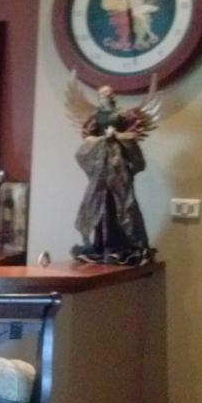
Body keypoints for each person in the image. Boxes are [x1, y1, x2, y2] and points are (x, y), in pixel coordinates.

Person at [69, 79, 159, 265]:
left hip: (118, 166)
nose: (105, 98)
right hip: (101, 166)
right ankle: (101, 244)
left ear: (113, 97)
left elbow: (132, 135)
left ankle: (124, 244)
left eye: (108, 95)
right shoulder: (95, 117)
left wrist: (117, 135)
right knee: (98, 203)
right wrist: (102, 138)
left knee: (123, 203)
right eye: (102, 95)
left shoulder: (122, 116)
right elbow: (88, 137)